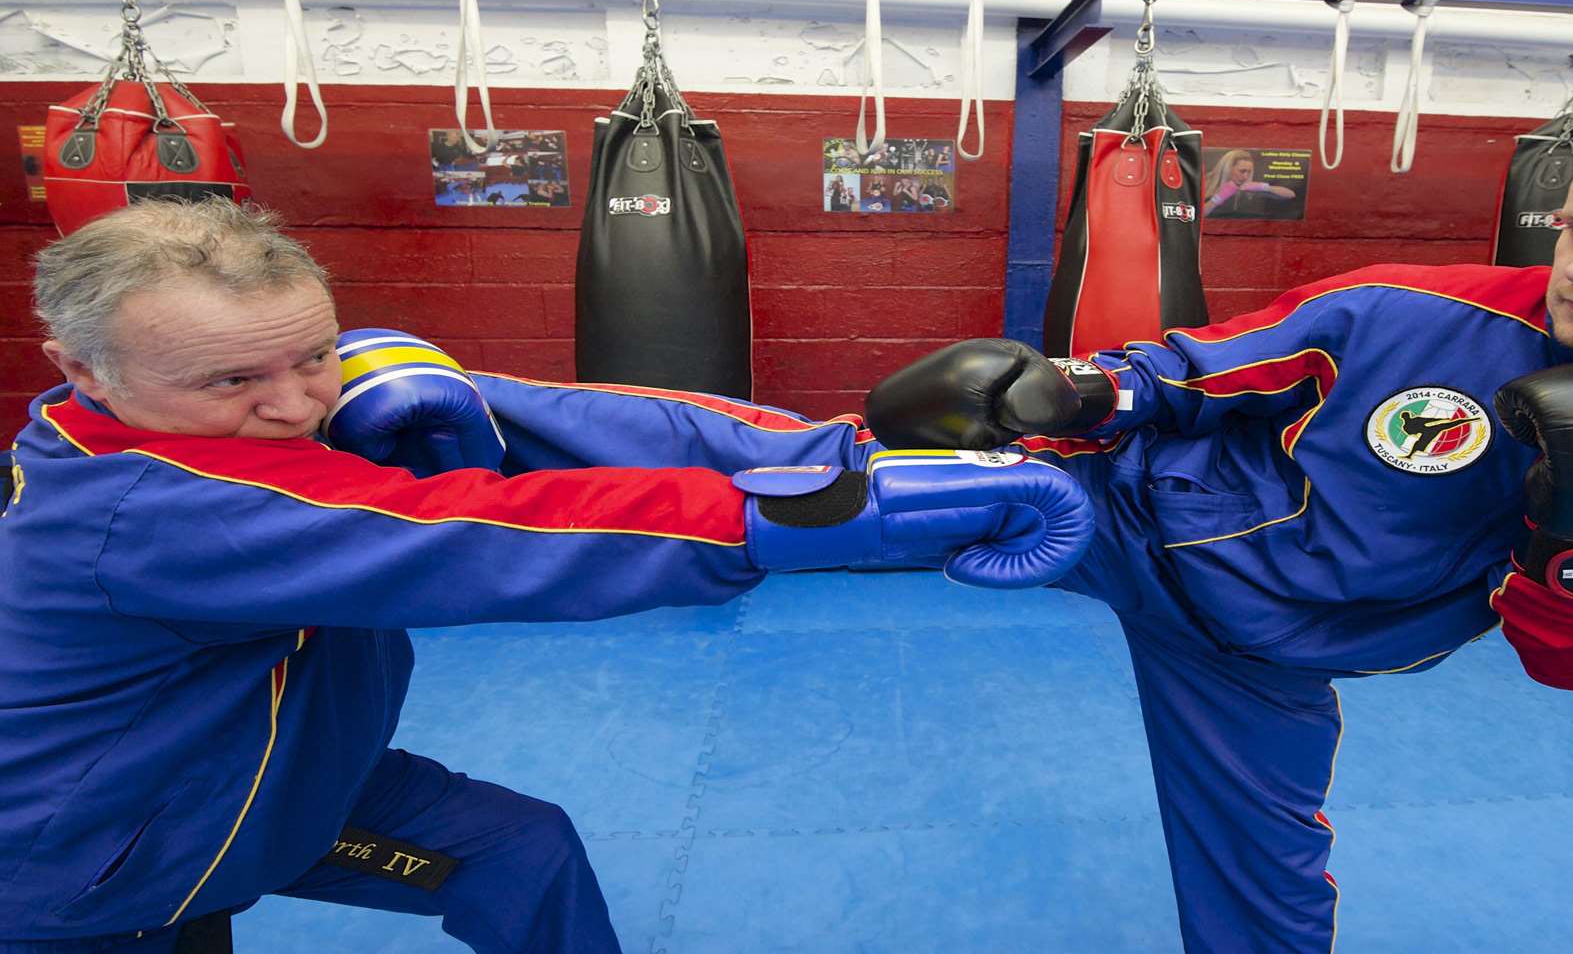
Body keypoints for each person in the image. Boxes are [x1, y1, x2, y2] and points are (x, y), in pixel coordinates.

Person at [860, 83, 1573, 952]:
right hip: (1123, 507)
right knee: (809, 486)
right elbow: (1203, 368)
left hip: (1268, 650)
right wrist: (1074, 391)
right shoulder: (1413, 308)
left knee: (1265, 883)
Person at [0, 198, 1093, 952]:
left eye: (314, 356)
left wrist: (843, 448)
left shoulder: (233, 407)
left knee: (515, 854)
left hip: (277, 776)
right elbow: (486, 531)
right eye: (237, 377)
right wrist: (835, 518)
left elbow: (568, 421)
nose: (295, 406)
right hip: (101, 866)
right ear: (81, 369)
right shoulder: (140, 510)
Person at [1202, 148, 1296, 219]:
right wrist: (1218, 198)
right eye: (1242, 171)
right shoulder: (1206, 181)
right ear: (1228, 168)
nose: (1246, 177)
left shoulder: (1246, 188)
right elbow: (1193, 217)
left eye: (1249, 172)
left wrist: (1263, 187)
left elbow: (1291, 194)